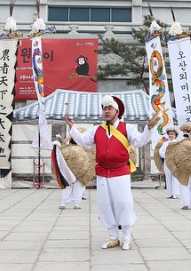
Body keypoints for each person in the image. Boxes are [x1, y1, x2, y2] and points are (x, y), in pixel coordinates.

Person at [64, 95, 158, 251]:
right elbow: (83, 142)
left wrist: (148, 128)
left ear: (117, 111)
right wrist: (71, 128)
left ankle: (126, 237)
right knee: (106, 205)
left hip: (120, 171)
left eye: (109, 108)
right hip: (102, 172)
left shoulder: (127, 128)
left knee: (123, 203)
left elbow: (140, 141)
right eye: (104, 108)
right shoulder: (96, 129)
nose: (106, 111)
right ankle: (113, 237)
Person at [159, 127, 180, 199]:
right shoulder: (165, 144)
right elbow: (161, 152)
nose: (170, 135)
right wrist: (167, 156)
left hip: (175, 162)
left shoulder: (178, 143)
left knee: (175, 178)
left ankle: (175, 193)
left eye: (172, 134)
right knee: (168, 177)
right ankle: (169, 193)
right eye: (169, 134)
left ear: (175, 135)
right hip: (167, 162)